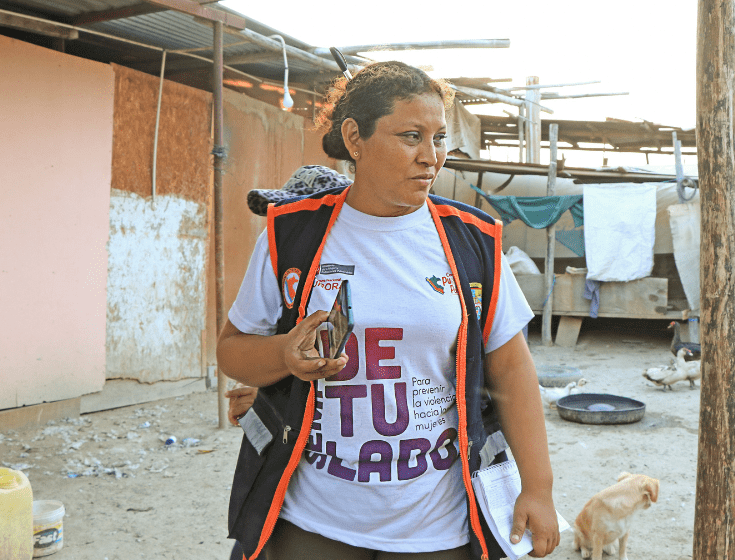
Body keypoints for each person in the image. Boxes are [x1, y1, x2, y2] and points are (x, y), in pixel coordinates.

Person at [217, 60, 559, 560]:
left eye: (440, 137)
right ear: (355, 138)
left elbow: (512, 368)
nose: (432, 157)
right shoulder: (293, 234)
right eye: (411, 136)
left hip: (435, 519)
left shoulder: (473, 241)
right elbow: (233, 352)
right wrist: (283, 357)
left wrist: (539, 487)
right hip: (315, 515)